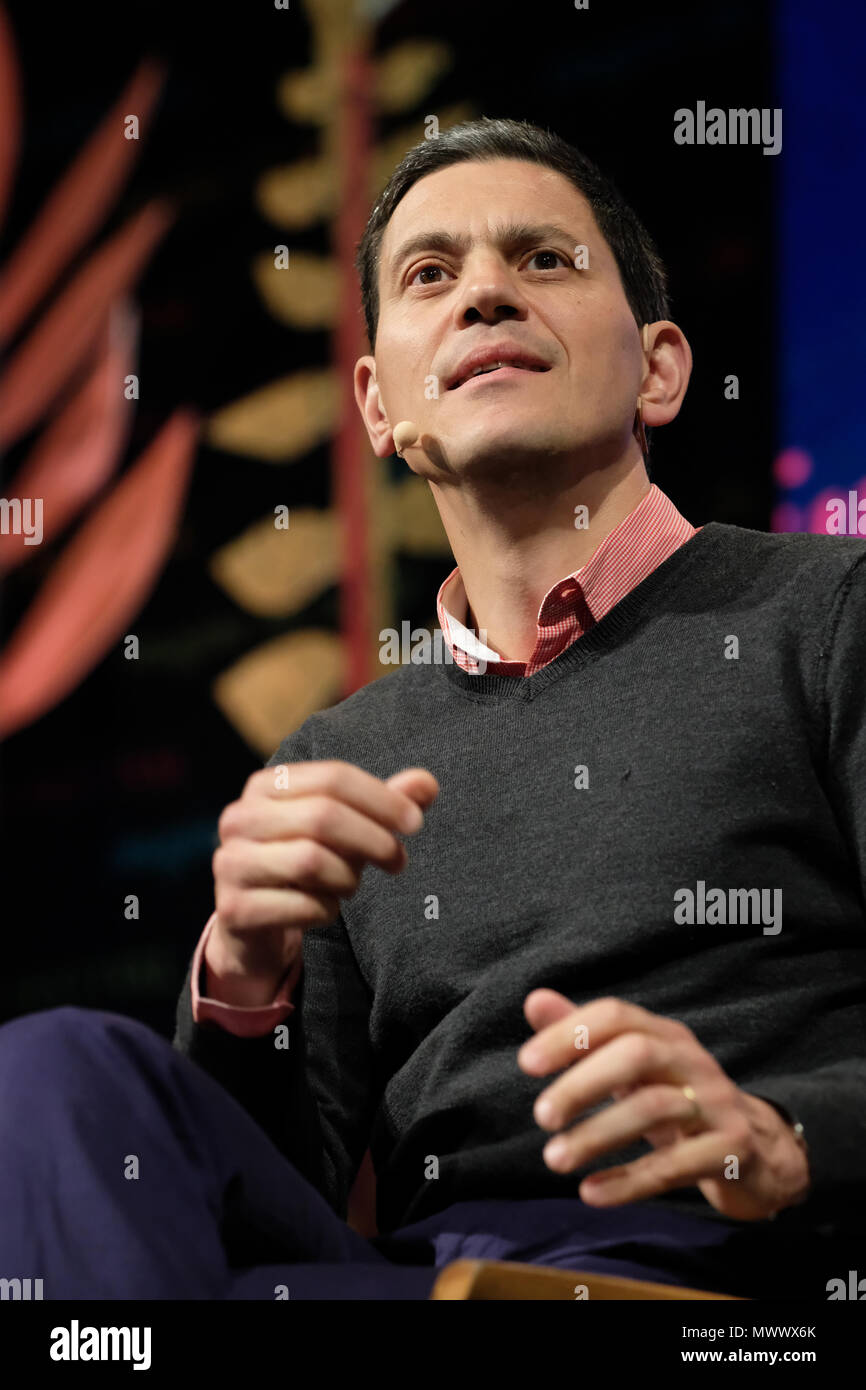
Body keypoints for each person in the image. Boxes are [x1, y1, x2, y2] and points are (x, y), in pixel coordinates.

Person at [2, 118, 864, 1301]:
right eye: (430, 275)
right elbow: (266, 1196)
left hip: (728, 1276)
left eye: (544, 260)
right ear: (376, 407)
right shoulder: (340, 758)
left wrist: (779, 1135)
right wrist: (248, 977)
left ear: (660, 367)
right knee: (47, 1067)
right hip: (415, 1281)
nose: (485, 296)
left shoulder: (826, 613)